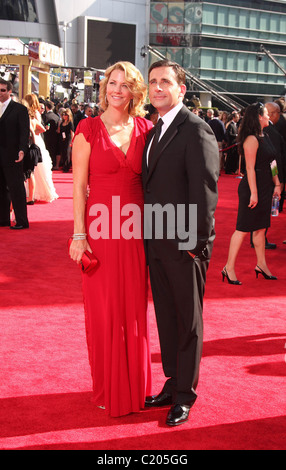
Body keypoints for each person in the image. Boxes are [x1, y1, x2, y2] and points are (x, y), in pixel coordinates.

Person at [69, 61, 153, 417]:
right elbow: (78, 189)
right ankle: (107, 385)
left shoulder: (147, 128)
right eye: (112, 83)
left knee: (133, 308)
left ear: (135, 91)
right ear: (104, 88)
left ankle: (135, 386)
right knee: (103, 311)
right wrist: (78, 235)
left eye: (125, 84)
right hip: (100, 231)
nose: (117, 90)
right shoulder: (87, 129)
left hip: (136, 232)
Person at [142, 60, 219, 426]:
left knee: (188, 321)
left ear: (181, 89)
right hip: (156, 241)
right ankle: (173, 383)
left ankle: (186, 395)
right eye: (153, 81)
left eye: (166, 82)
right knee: (167, 317)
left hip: (184, 246)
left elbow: (203, 193)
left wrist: (194, 244)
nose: (158, 88)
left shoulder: (196, 129)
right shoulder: (154, 130)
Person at [222, 103, 281, 285]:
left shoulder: (266, 136)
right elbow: (249, 168)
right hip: (251, 187)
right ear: (258, 117)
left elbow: (272, 163)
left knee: (261, 228)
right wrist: (254, 194)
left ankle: (261, 264)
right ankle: (228, 267)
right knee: (242, 228)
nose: (269, 117)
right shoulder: (251, 139)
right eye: (265, 114)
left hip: (265, 187)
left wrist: (277, 183)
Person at [0, 78, 30, 229]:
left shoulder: (19, 109)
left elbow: (24, 133)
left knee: (16, 188)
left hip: (13, 156)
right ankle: (3, 219)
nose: (0, 93)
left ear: (10, 91)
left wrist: (22, 150)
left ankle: (22, 221)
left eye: (3, 90)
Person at [24, 94, 58, 203]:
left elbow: (42, 129)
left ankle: (33, 194)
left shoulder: (34, 114)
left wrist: (32, 134)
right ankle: (32, 193)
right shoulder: (34, 113)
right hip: (36, 141)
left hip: (34, 142)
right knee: (34, 170)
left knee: (33, 170)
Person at [43, 100, 60, 168]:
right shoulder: (57, 116)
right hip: (55, 137)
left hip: (47, 137)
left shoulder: (45, 116)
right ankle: (54, 163)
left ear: (46, 107)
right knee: (54, 151)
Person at [58, 108, 74, 172]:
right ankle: (64, 165)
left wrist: (72, 141)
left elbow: (72, 132)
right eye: (63, 114)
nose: (64, 116)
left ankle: (66, 167)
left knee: (67, 153)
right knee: (63, 152)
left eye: (66, 115)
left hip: (68, 139)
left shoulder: (70, 123)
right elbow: (60, 131)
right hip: (62, 139)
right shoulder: (62, 123)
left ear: (69, 115)